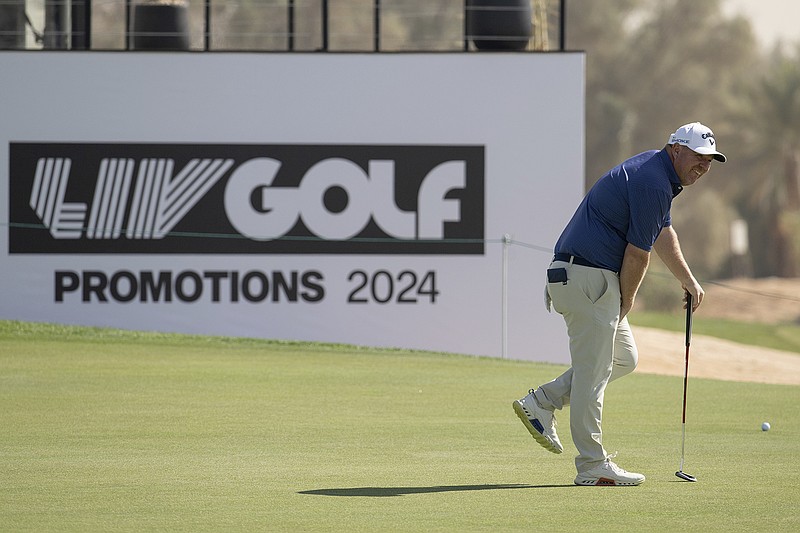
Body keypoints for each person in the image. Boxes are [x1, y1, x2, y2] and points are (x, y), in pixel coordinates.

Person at [513, 122, 726, 486]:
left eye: (709, 160)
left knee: (623, 358)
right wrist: (625, 303)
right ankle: (592, 465)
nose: (703, 166)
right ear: (675, 148)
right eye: (697, 157)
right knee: (593, 374)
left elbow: (662, 232)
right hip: (589, 277)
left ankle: (543, 401)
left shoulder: (657, 176)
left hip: (583, 276)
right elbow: (637, 254)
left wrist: (687, 278)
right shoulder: (652, 182)